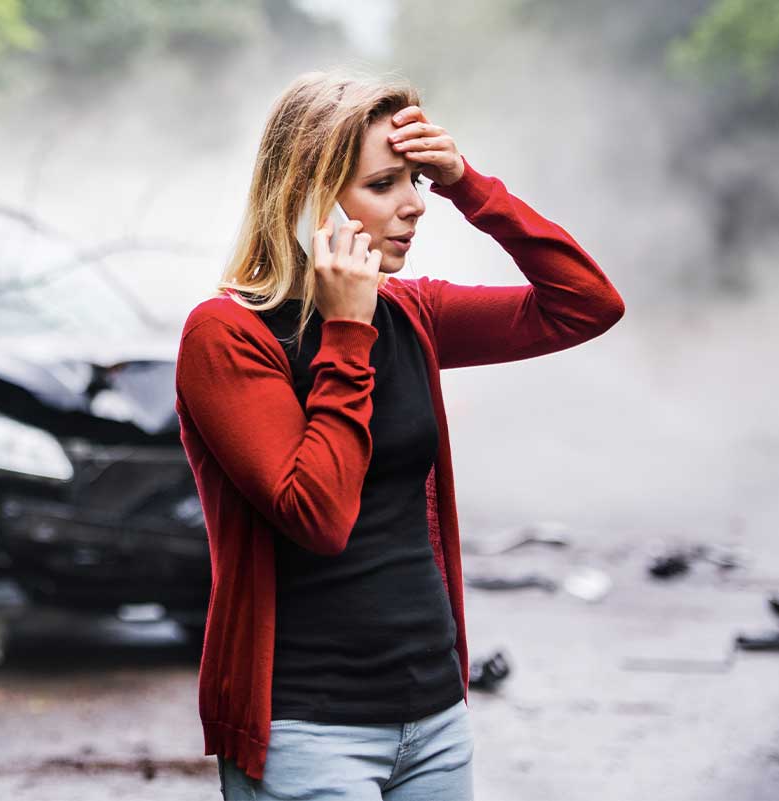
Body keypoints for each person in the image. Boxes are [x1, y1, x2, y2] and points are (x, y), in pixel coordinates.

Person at [174, 70, 624, 800]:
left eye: (415, 179)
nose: (414, 205)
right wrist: (346, 329)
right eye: (384, 184)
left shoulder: (410, 312)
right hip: (309, 731)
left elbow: (585, 305)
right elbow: (317, 514)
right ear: (307, 198)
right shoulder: (228, 335)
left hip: (434, 719)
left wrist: (468, 184)